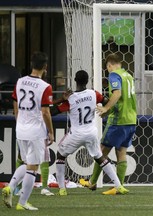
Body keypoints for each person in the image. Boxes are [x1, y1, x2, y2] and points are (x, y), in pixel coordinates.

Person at [53, 70, 129, 196]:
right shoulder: (94, 94)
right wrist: (105, 112)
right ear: (88, 81)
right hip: (91, 132)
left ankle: (62, 189)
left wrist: (61, 100)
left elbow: (53, 111)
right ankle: (118, 185)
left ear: (75, 81)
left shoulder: (71, 98)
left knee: (60, 155)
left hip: (76, 134)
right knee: (100, 158)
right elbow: (107, 103)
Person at [2, 52, 54, 210]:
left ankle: (10, 187)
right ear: (45, 67)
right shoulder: (45, 87)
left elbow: (15, 103)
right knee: (33, 167)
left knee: (27, 163)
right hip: (35, 131)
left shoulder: (20, 82)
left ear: (31, 64)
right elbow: (45, 112)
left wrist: (19, 120)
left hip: (21, 128)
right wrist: (50, 132)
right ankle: (22, 203)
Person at [79, 53, 137, 195]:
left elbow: (116, 94)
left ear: (109, 65)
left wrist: (106, 108)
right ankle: (119, 186)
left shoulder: (114, 75)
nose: (108, 71)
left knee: (102, 150)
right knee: (121, 151)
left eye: (107, 68)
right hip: (131, 119)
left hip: (118, 120)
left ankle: (92, 182)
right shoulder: (128, 75)